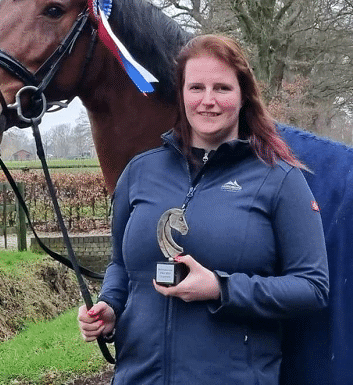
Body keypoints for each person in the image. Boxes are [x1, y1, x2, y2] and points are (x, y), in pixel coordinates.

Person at [78, 34, 330, 384]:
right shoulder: (139, 172)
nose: (207, 101)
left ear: (243, 97)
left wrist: (220, 288)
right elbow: (121, 264)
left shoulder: (280, 180)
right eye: (196, 87)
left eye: (222, 89)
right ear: (181, 96)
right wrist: (110, 307)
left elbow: (312, 288)